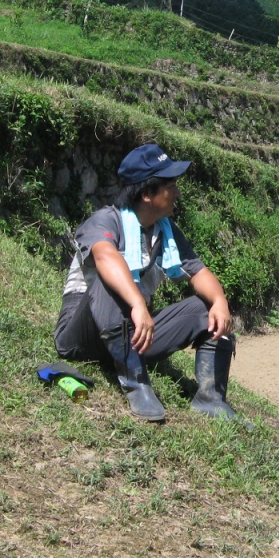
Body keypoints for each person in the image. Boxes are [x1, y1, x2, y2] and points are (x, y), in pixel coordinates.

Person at [53, 143, 238, 423]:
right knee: (112, 277)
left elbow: (199, 272)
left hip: (132, 333)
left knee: (207, 307)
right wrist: (138, 302)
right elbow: (104, 256)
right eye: (170, 185)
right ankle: (136, 382)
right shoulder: (105, 220)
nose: (177, 192)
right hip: (81, 337)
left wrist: (220, 301)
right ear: (148, 193)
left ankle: (210, 399)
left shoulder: (166, 231)